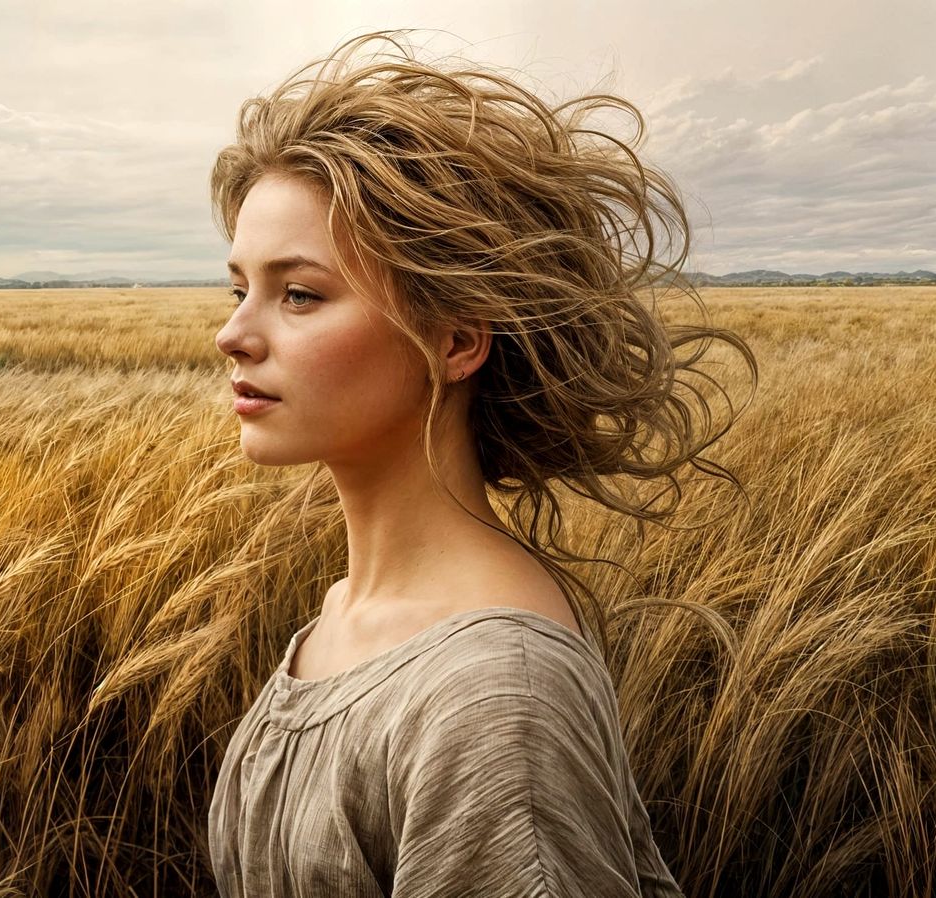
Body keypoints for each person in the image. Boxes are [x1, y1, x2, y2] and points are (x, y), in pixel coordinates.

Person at [205, 29, 756, 898]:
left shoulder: (494, 691)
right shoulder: (345, 614)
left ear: (455, 340)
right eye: (240, 288)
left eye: (299, 294)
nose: (234, 334)